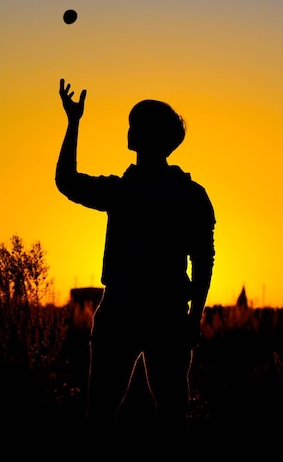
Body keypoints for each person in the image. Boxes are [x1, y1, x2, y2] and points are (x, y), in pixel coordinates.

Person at [55, 78, 216, 442]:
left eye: (135, 125)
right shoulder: (179, 193)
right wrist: (73, 122)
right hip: (147, 313)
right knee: (157, 416)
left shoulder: (134, 192)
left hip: (146, 313)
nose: (129, 131)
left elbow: (204, 258)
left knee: (129, 415)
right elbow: (204, 260)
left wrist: (193, 319)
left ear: (151, 136)